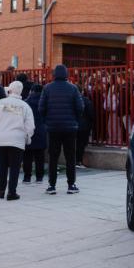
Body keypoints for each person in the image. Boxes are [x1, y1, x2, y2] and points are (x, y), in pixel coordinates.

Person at [0, 80, 35, 200]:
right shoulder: (25, 106)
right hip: (17, 139)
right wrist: (27, 137)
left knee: (2, 164)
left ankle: (1, 190)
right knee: (15, 166)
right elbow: (30, 126)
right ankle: (11, 192)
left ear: (9, 90)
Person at [40, 65, 83, 195]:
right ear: (66, 74)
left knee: (53, 157)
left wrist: (47, 121)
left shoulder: (47, 88)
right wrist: (75, 120)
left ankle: (51, 186)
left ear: (54, 75)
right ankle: (71, 185)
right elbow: (80, 107)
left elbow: (41, 108)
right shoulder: (73, 88)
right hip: (70, 128)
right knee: (70, 156)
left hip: (53, 128)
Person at [23, 84, 46, 185]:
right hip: (41, 130)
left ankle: (27, 177)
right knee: (40, 156)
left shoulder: (25, 103)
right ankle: (39, 177)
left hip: (28, 131)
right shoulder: (45, 102)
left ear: (31, 91)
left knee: (27, 156)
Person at [77, 93, 94, 168]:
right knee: (81, 144)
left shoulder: (71, 100)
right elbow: (91, 114)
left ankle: (75, 161)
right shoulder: (86, 100)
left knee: (74, 144)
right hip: (84, 126)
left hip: (73, 125)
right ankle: (78, 161)